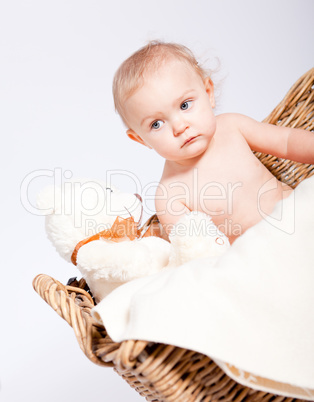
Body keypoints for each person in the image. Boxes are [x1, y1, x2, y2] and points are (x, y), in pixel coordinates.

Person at [112, 41, 314, 244]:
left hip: (295, 212)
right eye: (156, 124)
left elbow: (287, 141)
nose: (180, 127)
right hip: (256, 253)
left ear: (208, 93)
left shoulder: (232, 126)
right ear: (140, 139)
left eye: (184, 105)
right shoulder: (169, 196)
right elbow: (199, 250)